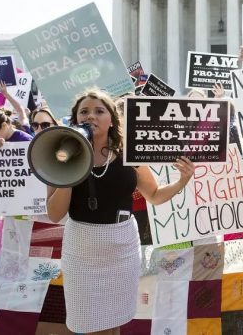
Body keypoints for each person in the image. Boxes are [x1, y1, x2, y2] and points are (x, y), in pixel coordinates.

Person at [45, 89, 194, 335]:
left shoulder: (128, 154)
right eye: (84, 111)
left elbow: (154, 195)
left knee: (115, 322)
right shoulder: (59, 155)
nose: (91, 116)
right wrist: (69, 168)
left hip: (121, 247)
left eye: (99, 111)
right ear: (75, 120)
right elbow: (54, 214)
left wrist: (182, 181)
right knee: (87, 322)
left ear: (112, 119)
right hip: (82, 249)